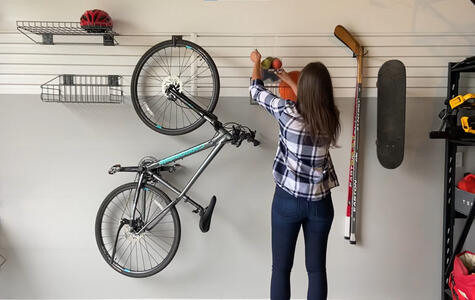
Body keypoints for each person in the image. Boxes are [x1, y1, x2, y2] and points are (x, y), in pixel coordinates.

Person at [249, 49, 340, 300]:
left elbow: (256, 91)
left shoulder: (287, 112)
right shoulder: (331, 116)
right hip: (320, 205)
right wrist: (288, 79)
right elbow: (313, 102)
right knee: (316, 271)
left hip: (287, 202)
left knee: (280, 270)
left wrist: (257, 63)